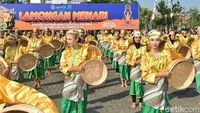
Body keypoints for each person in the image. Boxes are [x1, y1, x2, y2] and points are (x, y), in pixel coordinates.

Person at [59, 31, 97, 113]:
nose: (67, 41)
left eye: (70, 39)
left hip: (82, 79)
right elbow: (62, 67)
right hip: (69, 79)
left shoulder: (86, 49)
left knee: (80, 101)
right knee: (66, 100)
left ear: (77, 39)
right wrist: (76, 69)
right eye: (67, 39)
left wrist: (91, 73)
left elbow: (95, 61)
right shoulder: (65, 52)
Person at [140, 30, 172, 113]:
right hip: (151, 87)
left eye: (157, 40)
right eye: (152, 40)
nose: (155, 43)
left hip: (163, 86)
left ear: (160, 41)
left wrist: (167, 82)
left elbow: (170, 69)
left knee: (164, 108)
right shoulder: (145, 56)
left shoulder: (166, 55)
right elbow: (144, 75)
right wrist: (161, 74)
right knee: (150, 109)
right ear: (149, 42)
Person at [126, 31, 146, 109]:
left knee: (140, 87)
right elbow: (127, 60)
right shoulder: (131, 48)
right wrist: (136, 62)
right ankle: (134, 102)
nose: (137, 39)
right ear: (133, 38)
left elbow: (147, 56)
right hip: (134, 70)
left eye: (139, 37)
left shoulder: (144, 47)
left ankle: (140, 101)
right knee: (133, 87)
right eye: (136, 37)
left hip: (141, 70)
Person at [191, 27, 200, 94]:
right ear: (197, 34)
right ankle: (199, 88)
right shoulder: (194, 43)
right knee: (198, 74)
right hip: (198, 61)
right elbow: (194, 55)